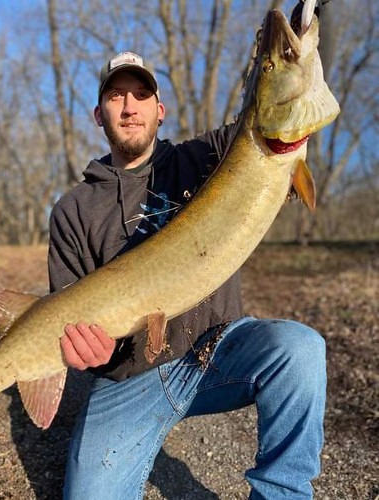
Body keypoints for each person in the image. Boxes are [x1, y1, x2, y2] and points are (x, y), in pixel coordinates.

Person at [48, 51, 326, 500]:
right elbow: (65, 316)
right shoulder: (73, 211)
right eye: (116, 96)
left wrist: (283, 50)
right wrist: (83, 350)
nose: (129, 106)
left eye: (141, 95)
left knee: (299, 351)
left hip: (215, 353)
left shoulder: (207, 158)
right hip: (129, 380)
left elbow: (270, 110)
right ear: (100, 115)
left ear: (159, 111)